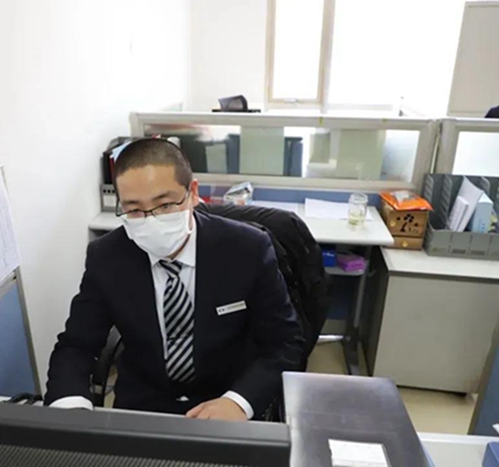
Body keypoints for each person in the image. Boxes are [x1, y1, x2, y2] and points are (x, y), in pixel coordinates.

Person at [44, 138, 304, 421]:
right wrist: (69, 407)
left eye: (165, 205)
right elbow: (76, 345)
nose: (151, 220)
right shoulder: (107, 257)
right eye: (134, 209)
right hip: (143, 405)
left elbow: (285, 343)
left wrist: (240, 402)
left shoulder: (247, 249)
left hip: (224, 399)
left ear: (193, 193)